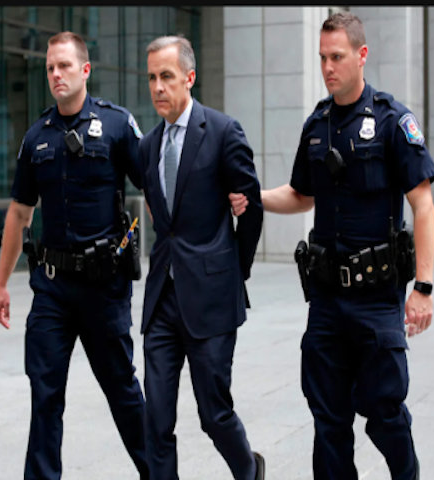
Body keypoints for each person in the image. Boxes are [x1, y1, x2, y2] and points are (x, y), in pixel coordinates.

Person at [231, 11, 434, 480]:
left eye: (337, 57)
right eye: (322, 57)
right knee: (328, 418)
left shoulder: (392, 120)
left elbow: (423, 204)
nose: (328, 67)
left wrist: (423, 288)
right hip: (326, 300)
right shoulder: (317, 124)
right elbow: (301, 195)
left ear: (361, 55)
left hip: (376, 298)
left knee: (384, 411)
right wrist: (254, 197)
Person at [0, 31, 149, 480]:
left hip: (104, 287)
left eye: (64, 66)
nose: (56, 74)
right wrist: (1, 284)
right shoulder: (36, 137)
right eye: (49, 68)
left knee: (122, 391)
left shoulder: (117, 125)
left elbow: (153, 189)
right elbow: (19, 212)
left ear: (85, 70)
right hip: (53, 290)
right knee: (44, 395)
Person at [138, 35, 265, 480]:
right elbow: (161, 213)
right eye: (151, 78)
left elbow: (251, 208)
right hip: (162, 300)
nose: (157, 87)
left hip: (211, 298)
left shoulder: (224, 132)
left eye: (166, 76)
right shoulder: (147, 146)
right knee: (156, 419)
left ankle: (249, 470)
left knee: (214, 414)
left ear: (189, 78)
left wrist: (233, 272)